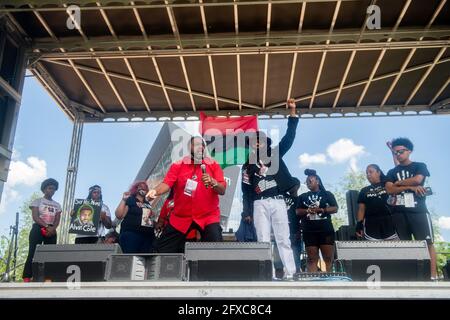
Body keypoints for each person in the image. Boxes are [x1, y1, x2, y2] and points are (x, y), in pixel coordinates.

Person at [241, 99, 299, 279]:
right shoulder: (247, 165)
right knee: (263, 240)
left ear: (266, 143)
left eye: (260, 141)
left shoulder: (275, 154)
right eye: (254, 142)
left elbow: (289, 137)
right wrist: (247, 212)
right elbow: (246, 191)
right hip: (259, 204)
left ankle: (290, 274)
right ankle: (268, 274)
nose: (257, 144)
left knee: (283, 239)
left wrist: (292, 112)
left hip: (278, 201)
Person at [147, 136, 227, 253]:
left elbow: (222, 190)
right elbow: (166, 184)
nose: (201, 147)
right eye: (197, 145)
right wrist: (155, 191)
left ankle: (211, 270)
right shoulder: (178, 165)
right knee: (163, 249)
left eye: (202, 145)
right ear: (190, 147)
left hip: (208, 216)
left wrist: (212, 181)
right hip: (180, 217)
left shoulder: (213, 165)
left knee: (215, 246)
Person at [385, 137, 437, 278]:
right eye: (395, 152)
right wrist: (409, 187)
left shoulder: (419, 165)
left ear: (409, 151)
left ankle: (433, 276)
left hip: (418, 211)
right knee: (405, 245)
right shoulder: (391, 172)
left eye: (401, 151)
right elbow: (389, 190)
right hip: (399, 213)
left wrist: (397, 183)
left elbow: (417, 179)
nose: (398, 154)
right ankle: (410, 276)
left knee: (427, 242)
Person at [296, 169, 338, 272]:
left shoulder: (327, 194)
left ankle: (330, 283)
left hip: (325, 230)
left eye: (311, 180)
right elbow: (297, 211)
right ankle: (312, 284)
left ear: (318, 181)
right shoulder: (302, 196)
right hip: (309, 231)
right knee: (311, 259)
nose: (308, 183)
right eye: (307, 182)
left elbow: (335, 208)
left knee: (328, 258)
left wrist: (321, 210)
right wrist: (308, 210)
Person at [23, 178, 62, 282]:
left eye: (54, 189)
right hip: (38, 227)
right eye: (49, 188)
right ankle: (27, 276)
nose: (52, 191)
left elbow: (57, 220)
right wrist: (46, 226)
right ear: (44, 189)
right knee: (33, 252)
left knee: (50, 254)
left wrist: (52, 228)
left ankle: (47, 277)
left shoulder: (57, 205)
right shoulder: (37, 201)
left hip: (52, 230)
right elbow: (35, 217)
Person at [356, 165, 398, 241]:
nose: (368, 174)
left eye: (370, 172)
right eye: (367, 173)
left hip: (390, 223)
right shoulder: (364, 190)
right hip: (371, 225)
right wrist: (359, 224)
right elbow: (361, 209)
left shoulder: (388, 185)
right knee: (376, 251)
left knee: (395, 249)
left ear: (378, 172)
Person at [115, 181, 155, 253]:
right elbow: (119, 215)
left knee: (145, 261)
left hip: (147, 236)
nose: (143, 188)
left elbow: (148, 219)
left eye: (145, 187)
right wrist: (124, 199)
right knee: (131, 259)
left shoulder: (148, 204)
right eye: (140, 187)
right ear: (135, 189)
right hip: (132, 234)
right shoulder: (131, 199)